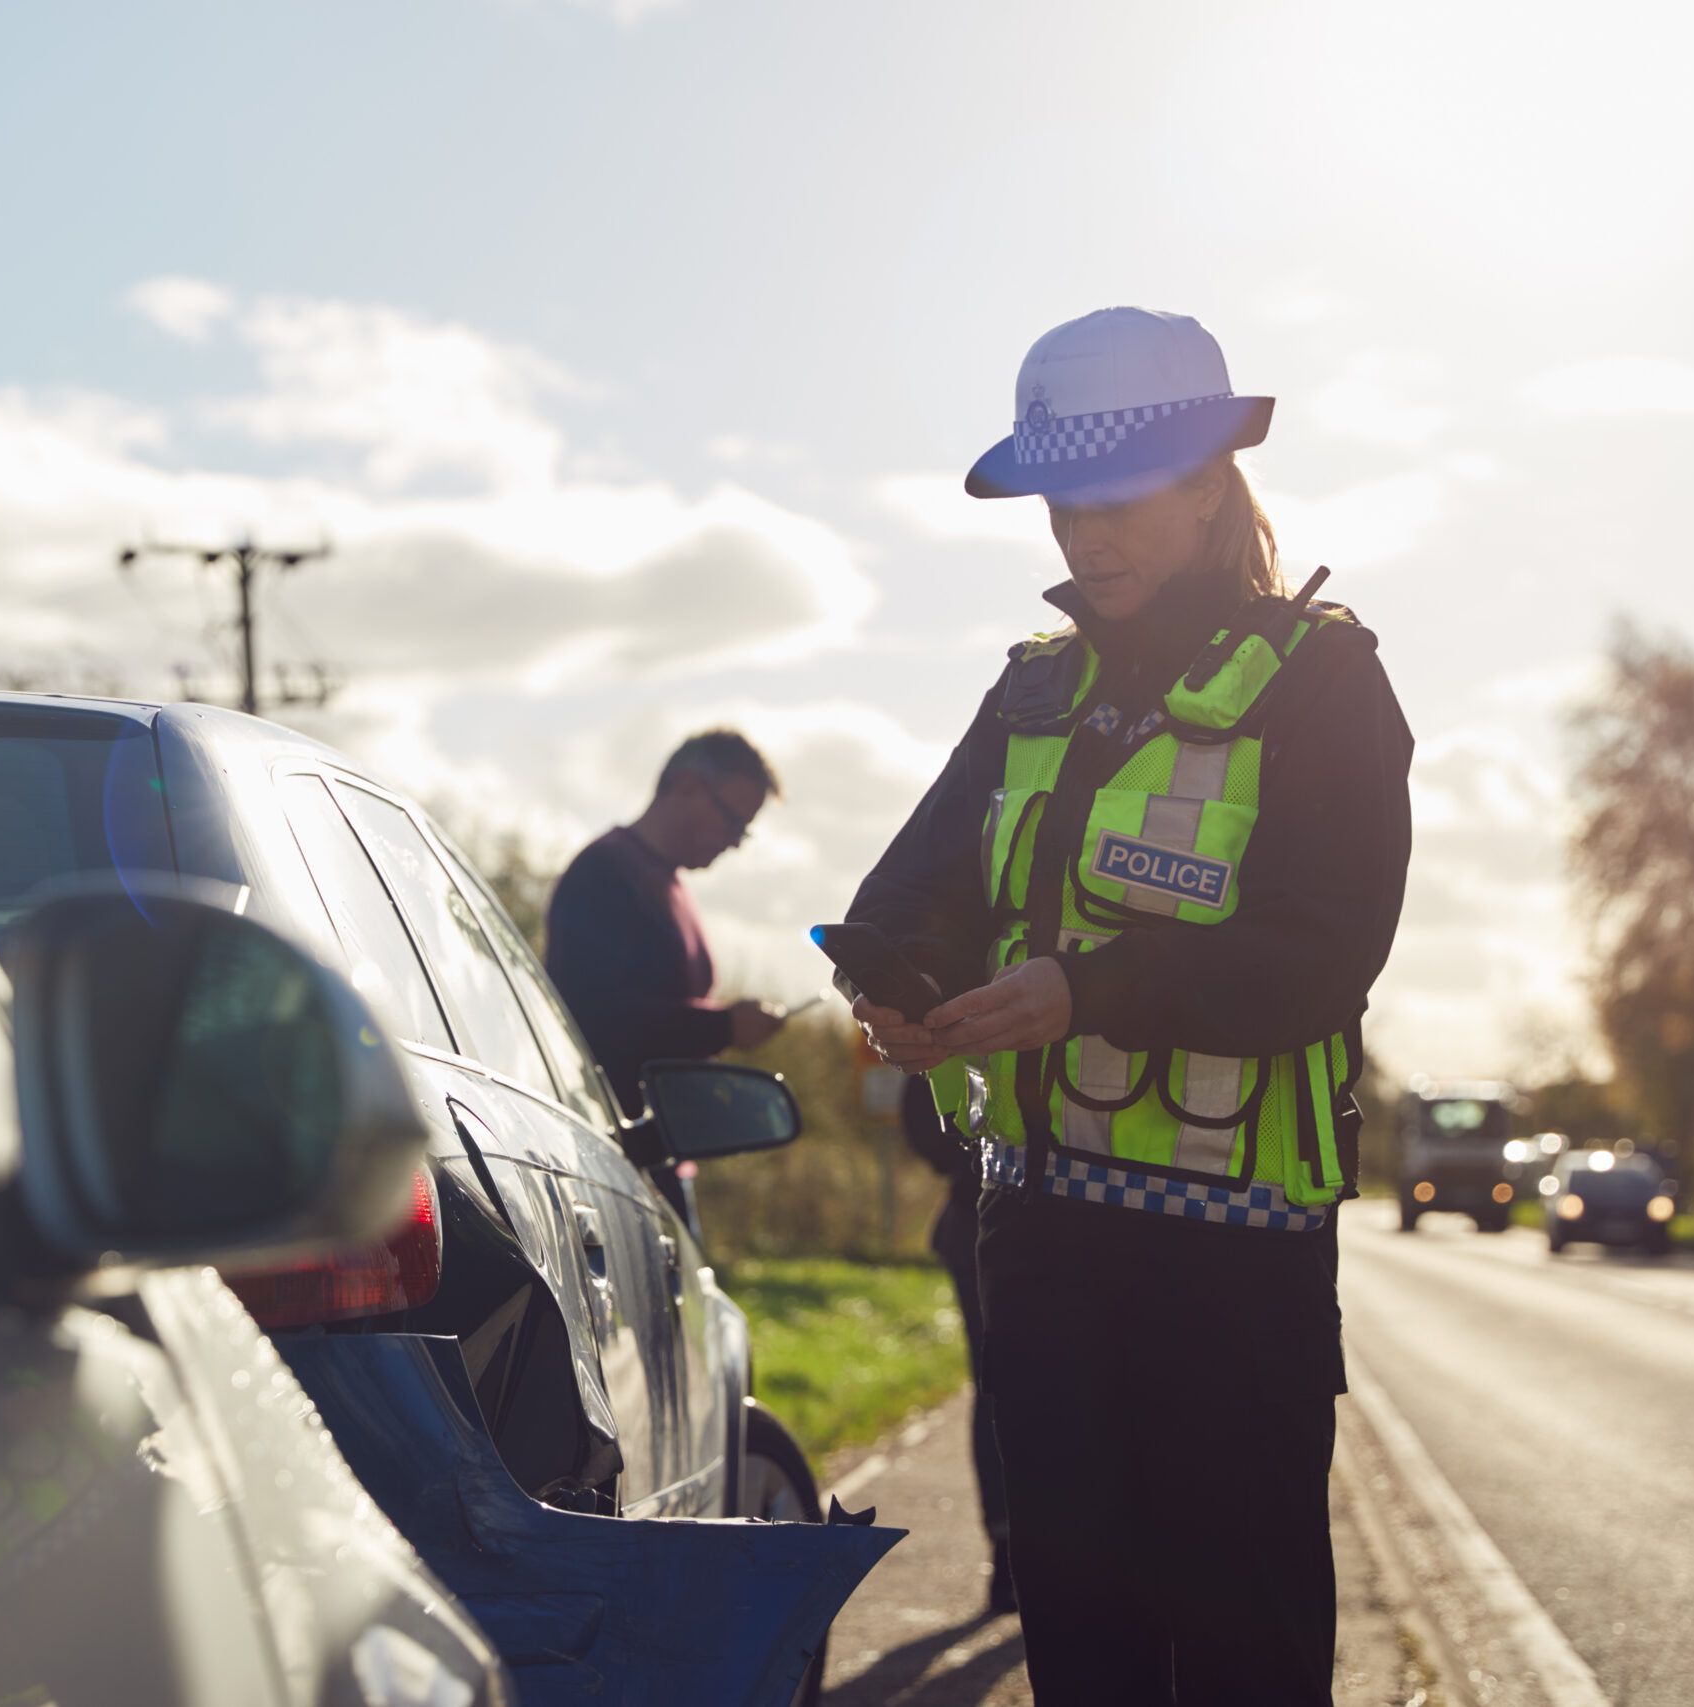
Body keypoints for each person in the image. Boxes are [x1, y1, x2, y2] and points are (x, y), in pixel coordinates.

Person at [843, 307, 1412, 1706]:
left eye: (1115, 499)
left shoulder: (1324, 678)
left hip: (1236, 1274)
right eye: (1059, 505)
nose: (1083, 537)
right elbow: (913, 891)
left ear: (1211, 480)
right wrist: (899, 988)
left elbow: (1325, 950)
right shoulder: (1034, 688)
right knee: (1084, 1656)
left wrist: (1086, 988)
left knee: (1242, 1659)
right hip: (1039, 1242)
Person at [545, 729, 787, 1118]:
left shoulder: (670, 885)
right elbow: (590, 1013)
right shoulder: (603, 873)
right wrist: (724, 1026)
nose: (734, 841)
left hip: (657, 1158)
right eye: (732, 821)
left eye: (744, 831)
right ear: (686, 785)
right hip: (612, 1147)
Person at [896, 1072, 1014, 1614]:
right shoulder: (967, 989)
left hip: (992, 1214)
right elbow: (920, 1097)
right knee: (1001, 1384)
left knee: (1004, 1384)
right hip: (983, 1215)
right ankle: (1011, 1547)